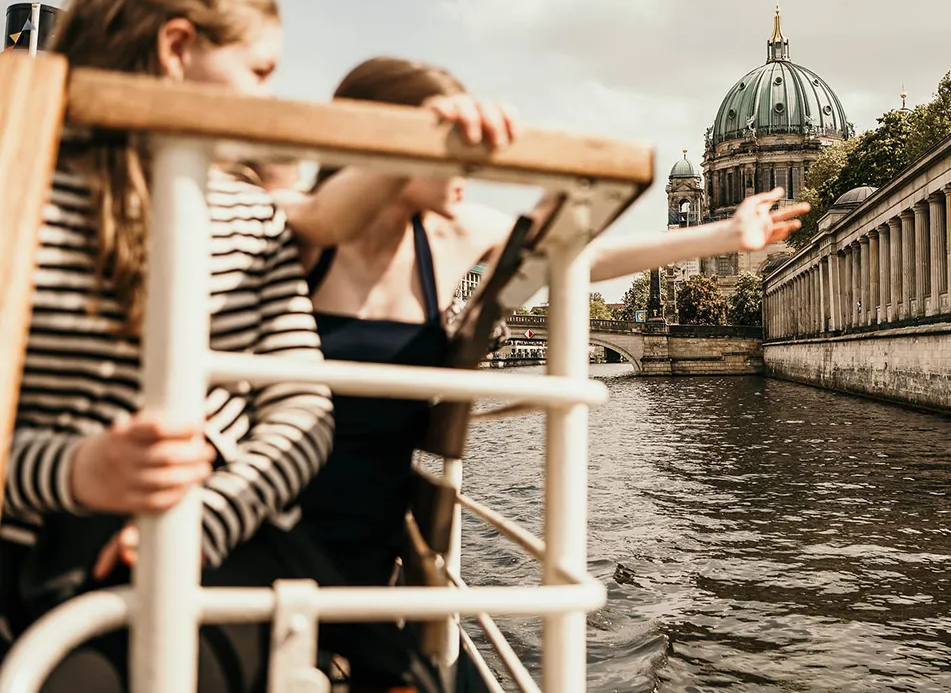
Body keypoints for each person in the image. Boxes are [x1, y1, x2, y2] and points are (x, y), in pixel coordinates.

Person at [0, 0, 435, 693]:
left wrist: (205, 518)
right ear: (176, 50)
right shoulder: (20, 196)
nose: (271, 101)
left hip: (222, 531)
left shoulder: (253, 217)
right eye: (261, 73)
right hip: (43, 537)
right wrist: (80, 471)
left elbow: (302, 410)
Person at [253, 57, 810, 595]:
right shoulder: (293, 226)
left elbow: (579, 257)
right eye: (449, 149)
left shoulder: (453, 234)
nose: (470, 169)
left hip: (373, 535)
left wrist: (725, 236)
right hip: (265, 515)